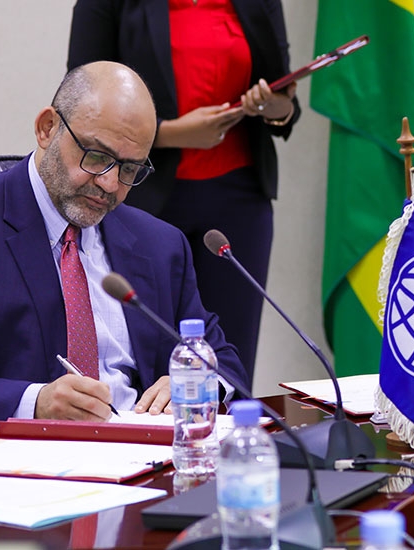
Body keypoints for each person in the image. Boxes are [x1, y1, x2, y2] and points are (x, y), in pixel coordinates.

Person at [0, 61, 249, 451]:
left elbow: (221, 356)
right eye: (97, 156)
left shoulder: (160, 244)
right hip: (23, 471)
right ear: (47, 129)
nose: (109, 184)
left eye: (130, 169)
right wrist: (34, 404)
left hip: (145, 465)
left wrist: (204, 381)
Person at [67, 0, 301, 386]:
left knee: (231, 364)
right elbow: (81, 101)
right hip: (142, 198)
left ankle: (227, 446)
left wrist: (276, 105)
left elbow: (284, 99)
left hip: (238, 204)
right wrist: (172, 133)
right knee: (145, 354)